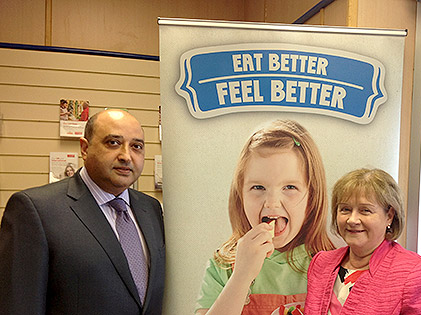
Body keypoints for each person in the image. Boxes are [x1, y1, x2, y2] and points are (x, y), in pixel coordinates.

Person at [0, 109, 166, 314]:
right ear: (85, 148)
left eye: (136, 146)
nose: (126, 156)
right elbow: (19, 306)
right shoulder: (35, 210)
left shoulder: (150, 208)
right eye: (113, 143)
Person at [195, 119, 334, 315]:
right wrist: (241, 277)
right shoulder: (223, 265)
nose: (272, 203)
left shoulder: (333, 266)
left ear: (312, 197)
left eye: (290, 187)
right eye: (258, 187)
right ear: (240, 196)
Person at [305, 168, 421, 315]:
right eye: (345, 209)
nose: (352, 220)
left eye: (365, 210)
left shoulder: (419, 274)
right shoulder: (321, 263)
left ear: (389, 216)